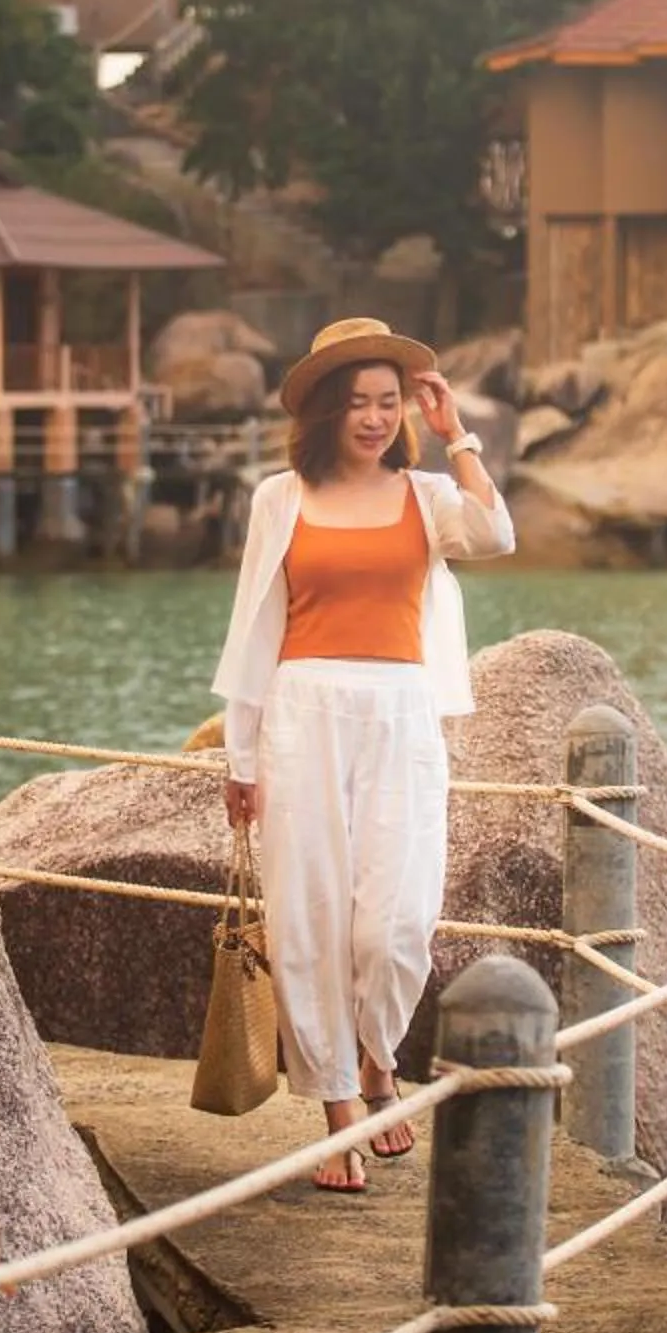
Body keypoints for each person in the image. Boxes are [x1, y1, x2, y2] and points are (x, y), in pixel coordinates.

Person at [209, 317, 514, 1193]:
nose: (375, 418)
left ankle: (380, 1057)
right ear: (326, 411)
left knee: (396, 924)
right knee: (308, 917)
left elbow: (495, 536)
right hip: (301, 716)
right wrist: (240, 757)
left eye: (389, 402)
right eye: (358, 403)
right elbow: (252, 631)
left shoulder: (425, 497)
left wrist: (458, 433)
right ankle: (338, 1108)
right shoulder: (279, 498)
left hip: (403, 716)